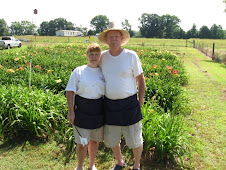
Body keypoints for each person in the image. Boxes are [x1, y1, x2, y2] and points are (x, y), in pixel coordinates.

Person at [98, 22, 146, 170]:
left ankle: (137, 165)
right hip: (110, 104)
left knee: (135, 139)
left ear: (121, 38)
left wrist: (141, 99)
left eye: (116, 37)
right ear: (107, 40)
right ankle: (120, 162)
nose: (113, 40)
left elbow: (141, 79)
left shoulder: (131, 55)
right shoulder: (102, 57)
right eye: (110, 37)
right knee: (112, 139)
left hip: (129, 104)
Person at [66, 43, 105, 170]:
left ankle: (92, 164)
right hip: (82, 110)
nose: (94, 57)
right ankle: (80, 166)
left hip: (98, 109)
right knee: (82, 142)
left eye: (96, 54)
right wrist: (71, 112)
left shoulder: (103, 72)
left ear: (100, 56)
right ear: (87, 55)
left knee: (94, 140)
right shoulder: (79, 71)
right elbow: (70, 91)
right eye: (91, 54)